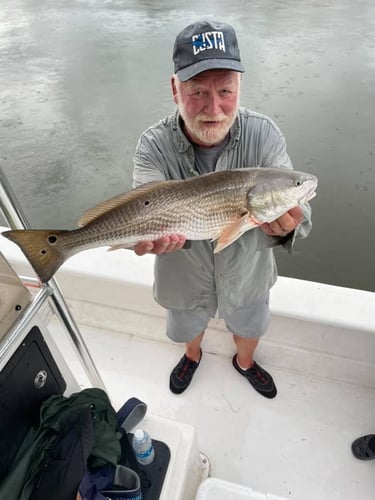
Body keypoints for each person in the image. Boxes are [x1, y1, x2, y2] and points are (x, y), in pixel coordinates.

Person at [132, 19, 313, 399]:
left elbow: (299, 212)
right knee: (187, 328)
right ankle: (192, 357)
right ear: (175, 89)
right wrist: (148, 236)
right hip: (183, 278)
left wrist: (286, 228)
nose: (213, 108)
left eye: (225, 91)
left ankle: (244, 362)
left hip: (247, 276)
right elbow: (143, 204)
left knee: (249, 326)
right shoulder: (153, 145)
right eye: (197, 91)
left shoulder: (264, 135)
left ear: (239, 88)